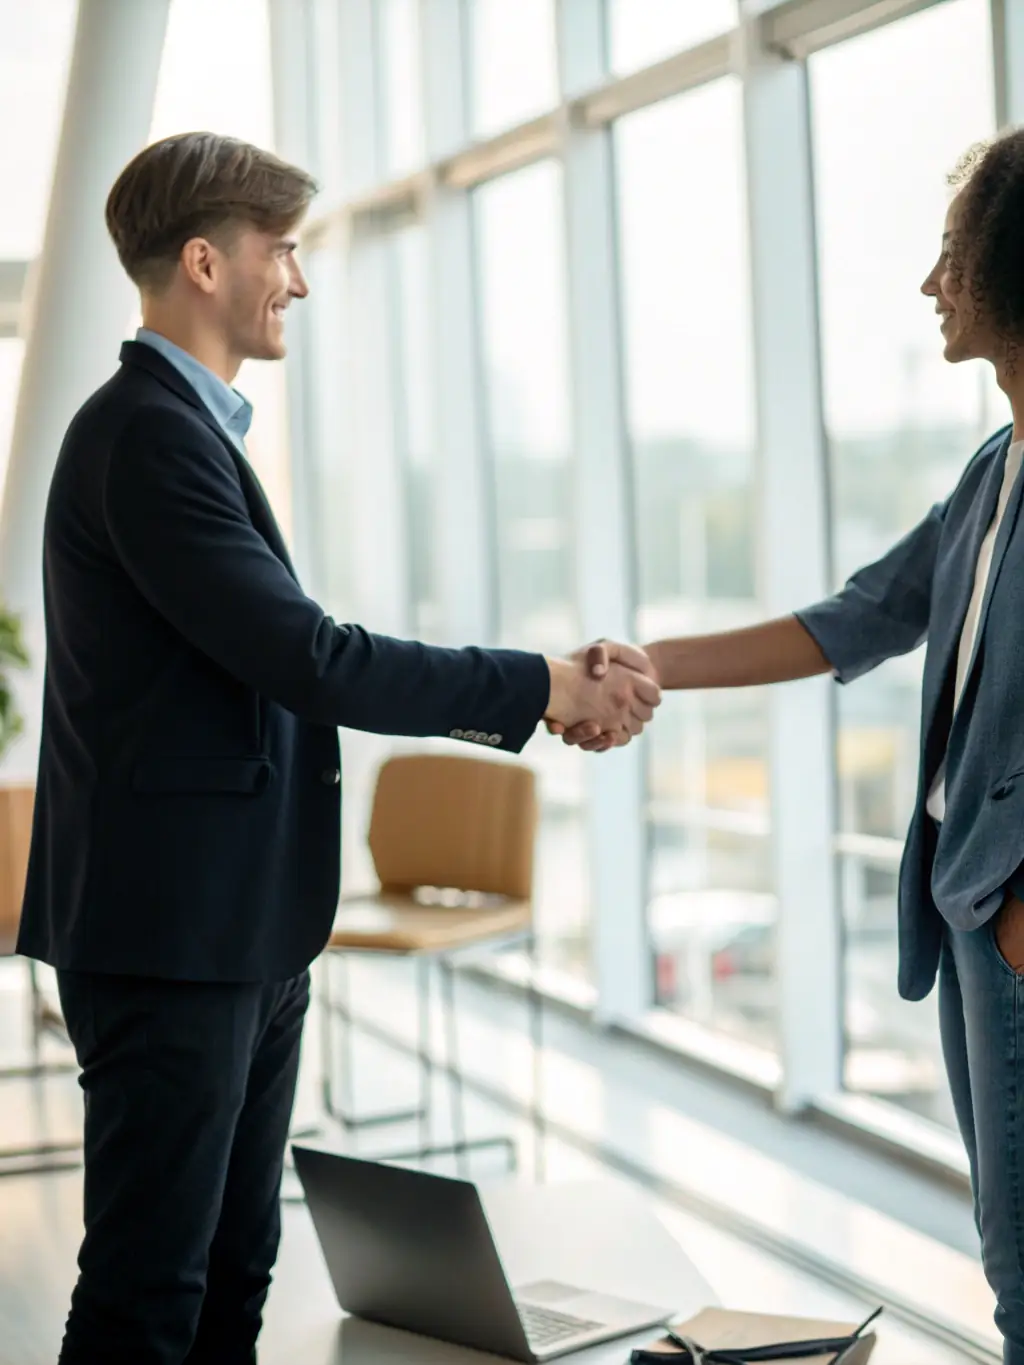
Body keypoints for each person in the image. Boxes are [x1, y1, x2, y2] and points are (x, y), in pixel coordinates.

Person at [14, 131, 660, 1365]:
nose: (297, 280)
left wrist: (544, 690)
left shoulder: (180, 432)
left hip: (234, 927)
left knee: (231, 1273)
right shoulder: (147, 437)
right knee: (152, 1289)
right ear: (205, 261)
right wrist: (543, 685)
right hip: (174, 940)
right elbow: (311, 658)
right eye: (283, 250)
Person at [560, 128, 1024, 1363]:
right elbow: (854, 620)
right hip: (971, 910)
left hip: (1011, 910)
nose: (931, 286)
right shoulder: (993, 470)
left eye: (949, 258)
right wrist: (647, 666)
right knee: (1010, 1254)